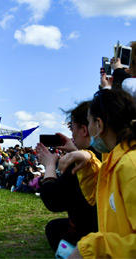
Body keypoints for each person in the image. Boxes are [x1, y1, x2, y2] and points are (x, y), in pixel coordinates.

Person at [58, 89, 136, 258]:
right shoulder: (115, 160)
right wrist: (87, 161)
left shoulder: (130, 166)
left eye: (89, 122)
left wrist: (92, 249)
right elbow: (96, 195)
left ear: (99, 125)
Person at [36, 101, 98, 252]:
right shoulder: (110, 154)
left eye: (73, 128)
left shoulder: (82, 162)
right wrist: (75, 148)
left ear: (84, 129)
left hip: (93, 233)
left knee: (54, 229)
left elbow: (54, 201)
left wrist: (50, 165)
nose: (72, 134)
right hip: (111, 227)